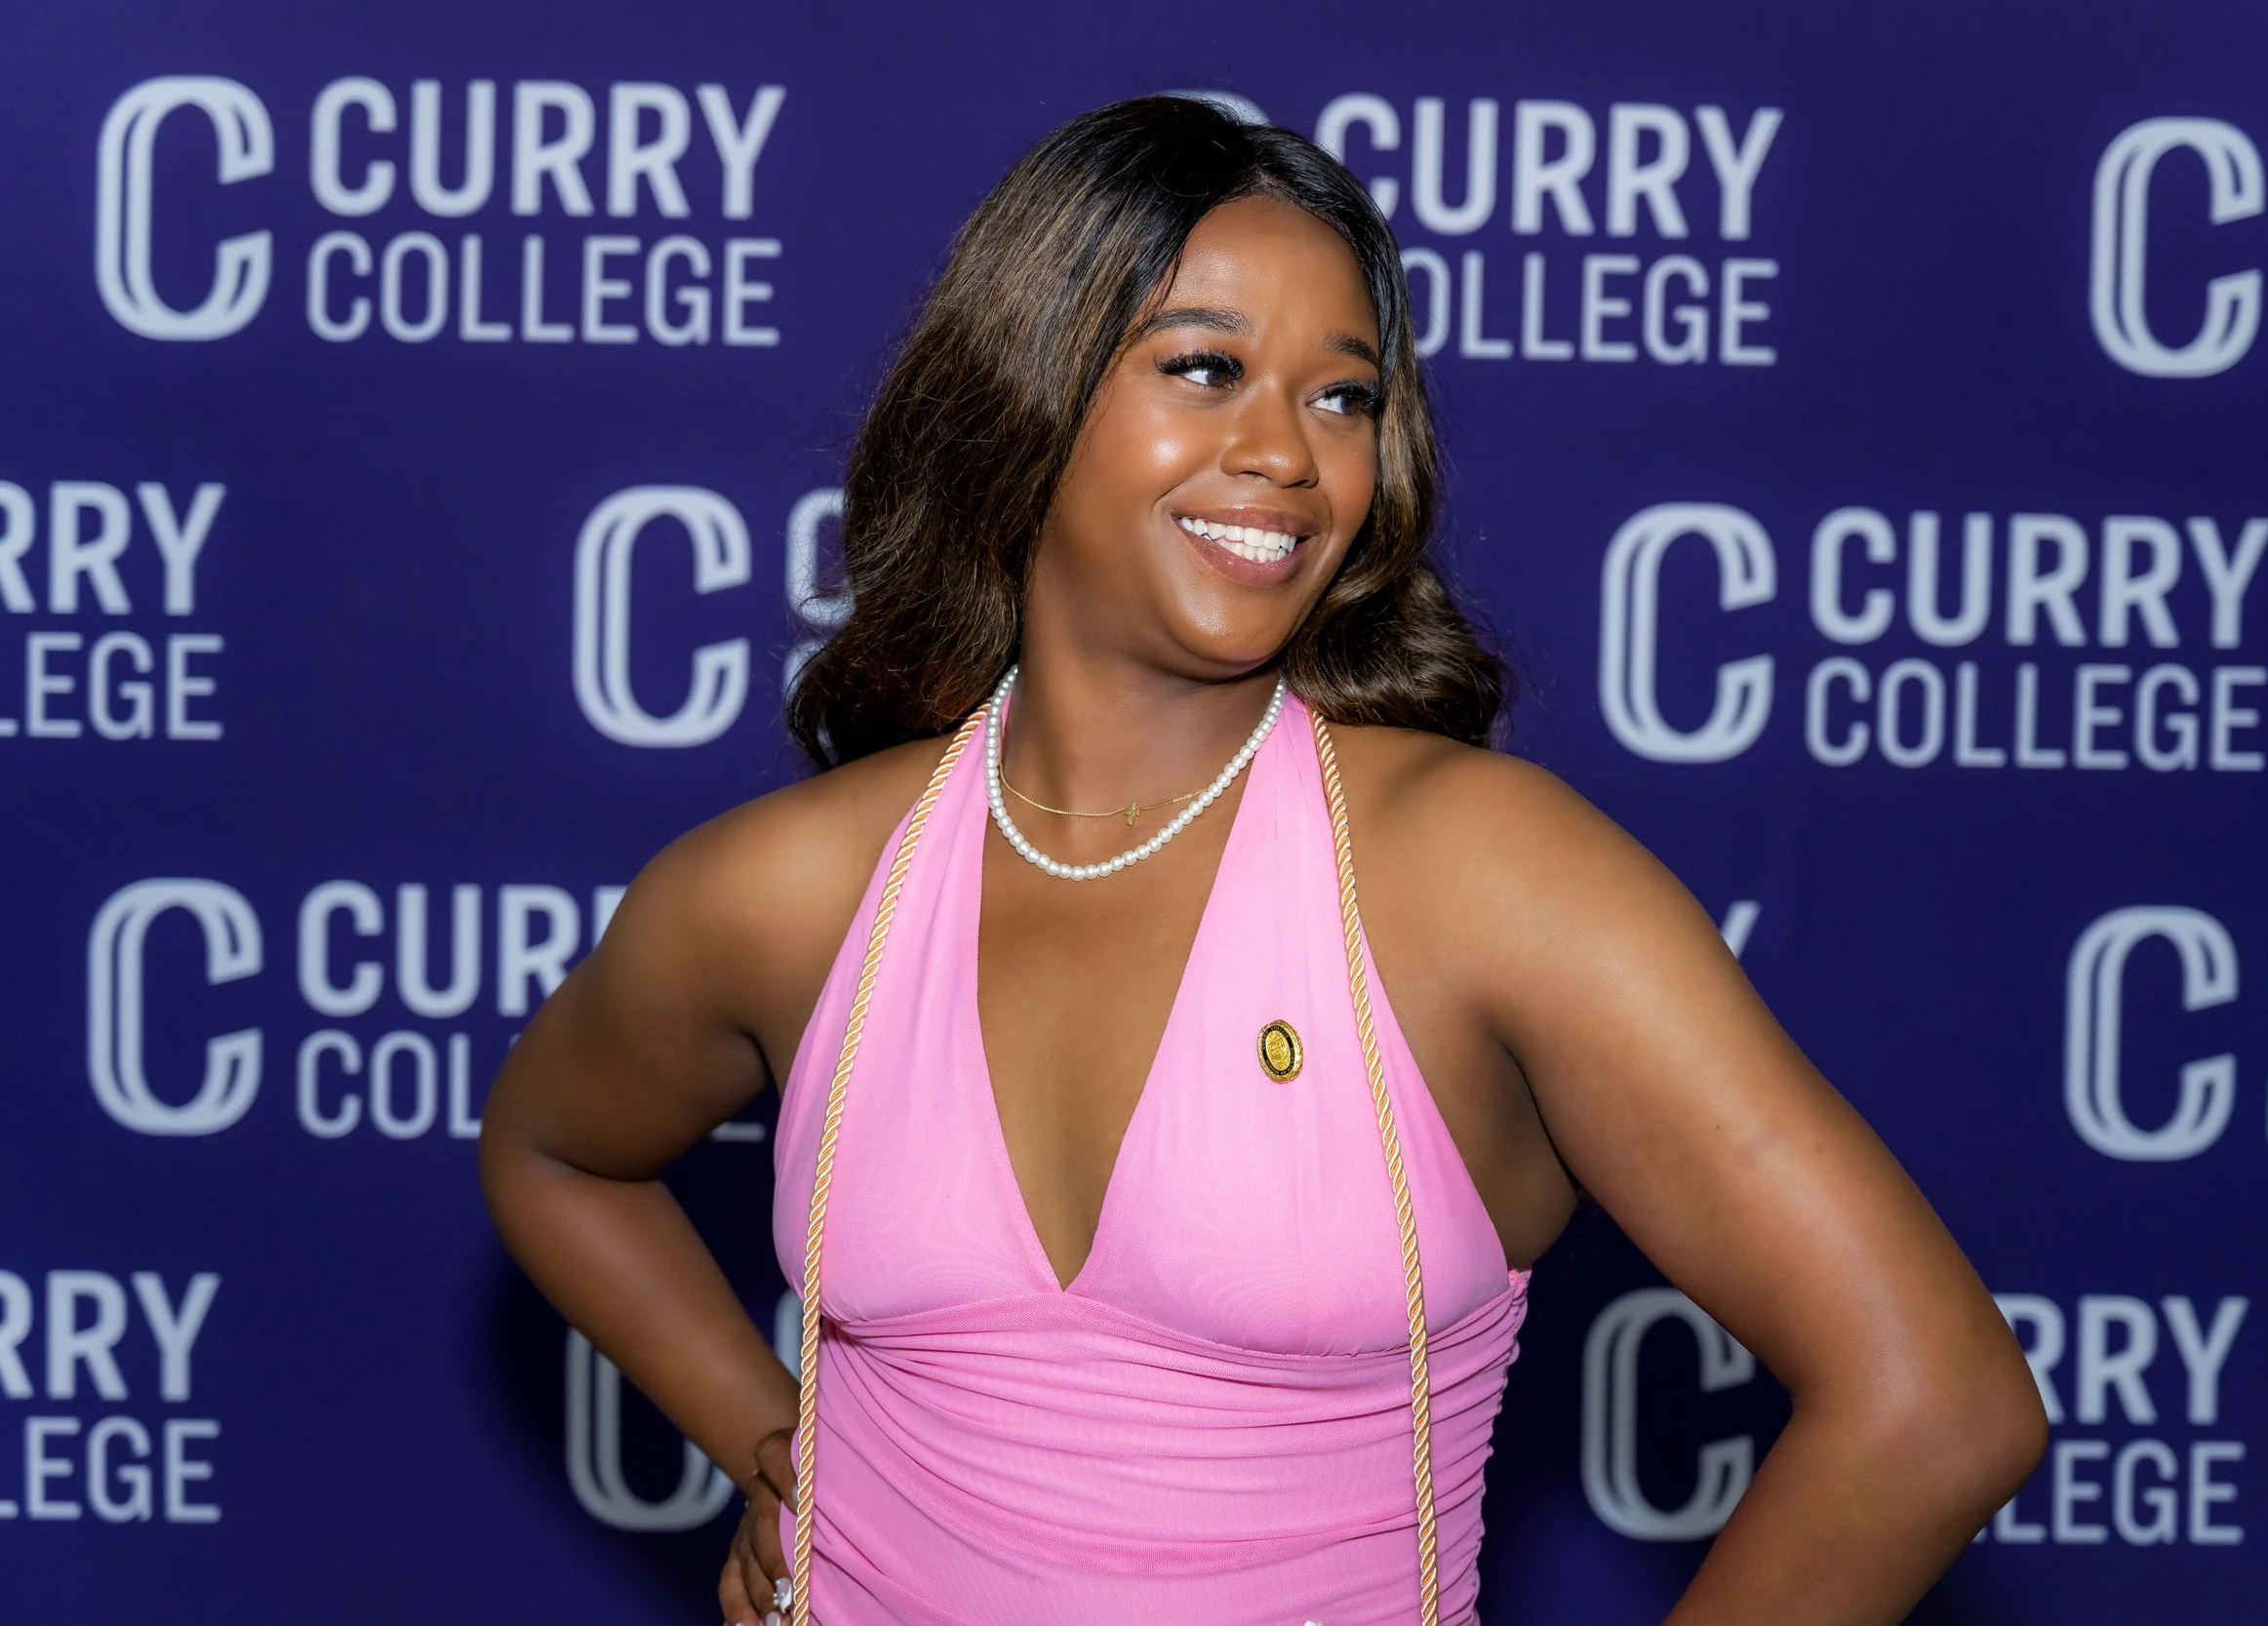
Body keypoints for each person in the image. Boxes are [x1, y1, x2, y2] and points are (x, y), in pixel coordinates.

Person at [479, 96, 2047, 1626]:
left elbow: (1935, 1400)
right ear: (1023, 392)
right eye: (1207, 367)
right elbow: (553, 1152)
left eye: (1343, 397)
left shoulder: (1483, 880)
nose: (1287, 453)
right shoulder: (795, 892)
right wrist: (780, 1448)